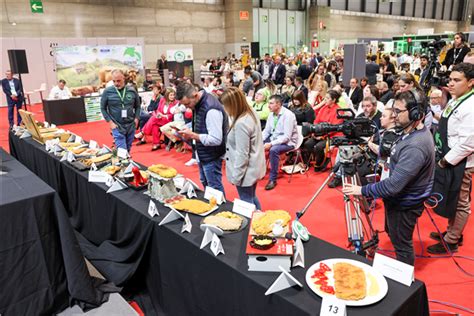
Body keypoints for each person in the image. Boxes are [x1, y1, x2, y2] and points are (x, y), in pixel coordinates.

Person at [343, 91, 435, 265]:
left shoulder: (416, 146)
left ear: (417, 115)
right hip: (398, 200)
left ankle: (406, 281)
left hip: (405, 204)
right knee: (393, 233)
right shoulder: (407, 131)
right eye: (394, 110)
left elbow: (393, 186)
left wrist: (361, 190)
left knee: (401, 244)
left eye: (398, 111)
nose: (394, 115)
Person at [427, 63, 474, 254]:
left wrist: (445, 161)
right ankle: (451, 231)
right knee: (451, 197)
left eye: (457, 80)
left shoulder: (471, 106)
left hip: (461, 162)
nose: (451, 83)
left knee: (461, 201)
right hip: (448, 156)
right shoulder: (457, 99)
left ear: (470, 82)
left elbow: (468, 142)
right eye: (450, 79)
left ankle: (452, 240)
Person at [176, 82, 228, 194]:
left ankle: (220, 211)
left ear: (195, 95)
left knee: (214, 188)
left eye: (187, 103)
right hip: (202, 152)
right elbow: (200, 126)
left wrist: (193, 135)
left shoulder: (211, 109)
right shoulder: (198, 104)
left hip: (212, 155)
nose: (186, 107)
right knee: (205, 183)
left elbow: (216, 139)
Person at [219, 87, 266, 209]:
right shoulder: (251, 112)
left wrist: (236, 177)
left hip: (246, 171)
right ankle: (259, 219)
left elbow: (242, 154)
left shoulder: (241, 123)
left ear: (232, 105)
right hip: (254, 167)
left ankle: (254, 225)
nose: (224, 109)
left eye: (225, 106)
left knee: (246, 203)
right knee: (251, 197)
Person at [262, 95, 298, 191]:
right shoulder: (271, 114)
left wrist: (271, 144)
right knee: (256, 144)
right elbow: (267, 131)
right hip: (275, 138)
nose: (268, 106)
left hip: (289, 142)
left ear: (278, 104)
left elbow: (286, 137)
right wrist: (259, 140)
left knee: (273, 150)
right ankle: (258, 171)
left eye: (271, 103)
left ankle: (272, 179)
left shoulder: (288, 115)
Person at [100, 69, 140, 152]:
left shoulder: (132, 90)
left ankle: (123, 163)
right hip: (117, 126)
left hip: (130, 125)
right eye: (114, 81)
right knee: (122, 151)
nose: (116, 84)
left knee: (128, 149)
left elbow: (138, 106)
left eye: (118, 81)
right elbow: (103, 108)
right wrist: (110, 122)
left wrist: (136, 118)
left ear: (124, 79)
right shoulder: (107, 91)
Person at [303, 90, 343, 171]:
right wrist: (314, 132)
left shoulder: (339, 110)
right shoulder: (324, 108)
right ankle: (311, 161)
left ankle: (320, 164)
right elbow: (316, 121)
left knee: (319, 147)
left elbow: (334, 128)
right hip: (319, 133)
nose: (325, 100)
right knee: (307, 143)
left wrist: (322, 136)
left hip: (332, 135)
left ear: (334, 100)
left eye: (327, 98)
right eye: (325, 98)